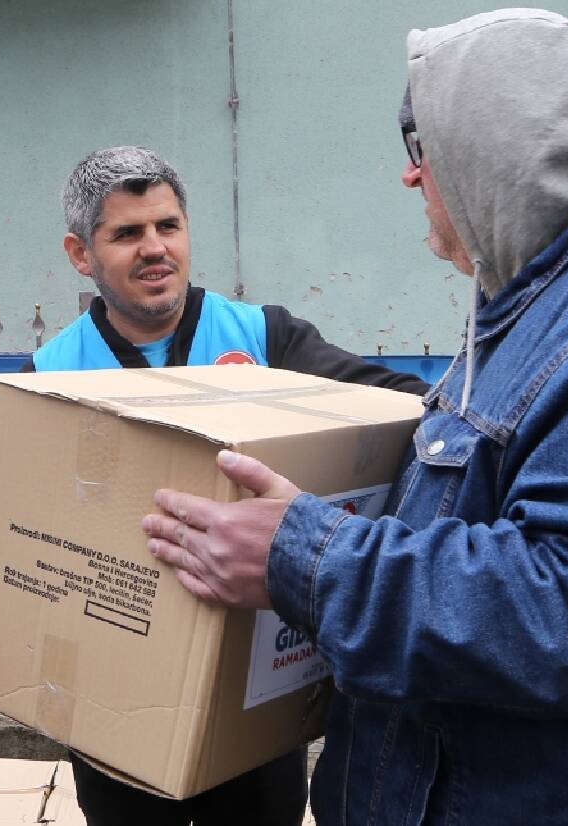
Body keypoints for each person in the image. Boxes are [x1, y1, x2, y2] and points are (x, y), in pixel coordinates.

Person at [140, 9, 568, 824]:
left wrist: (309, 559)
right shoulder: (549, 297)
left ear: (491, 148)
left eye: (423, 150)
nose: (411, 179)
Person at [28, 145, 427, 826]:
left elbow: (405, 405)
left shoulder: (265, 337)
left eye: (168, 226)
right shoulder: (48, 374)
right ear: (79, 252)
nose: (156, 248)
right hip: (117, 704)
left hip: (250, 696)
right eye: (127, 233)